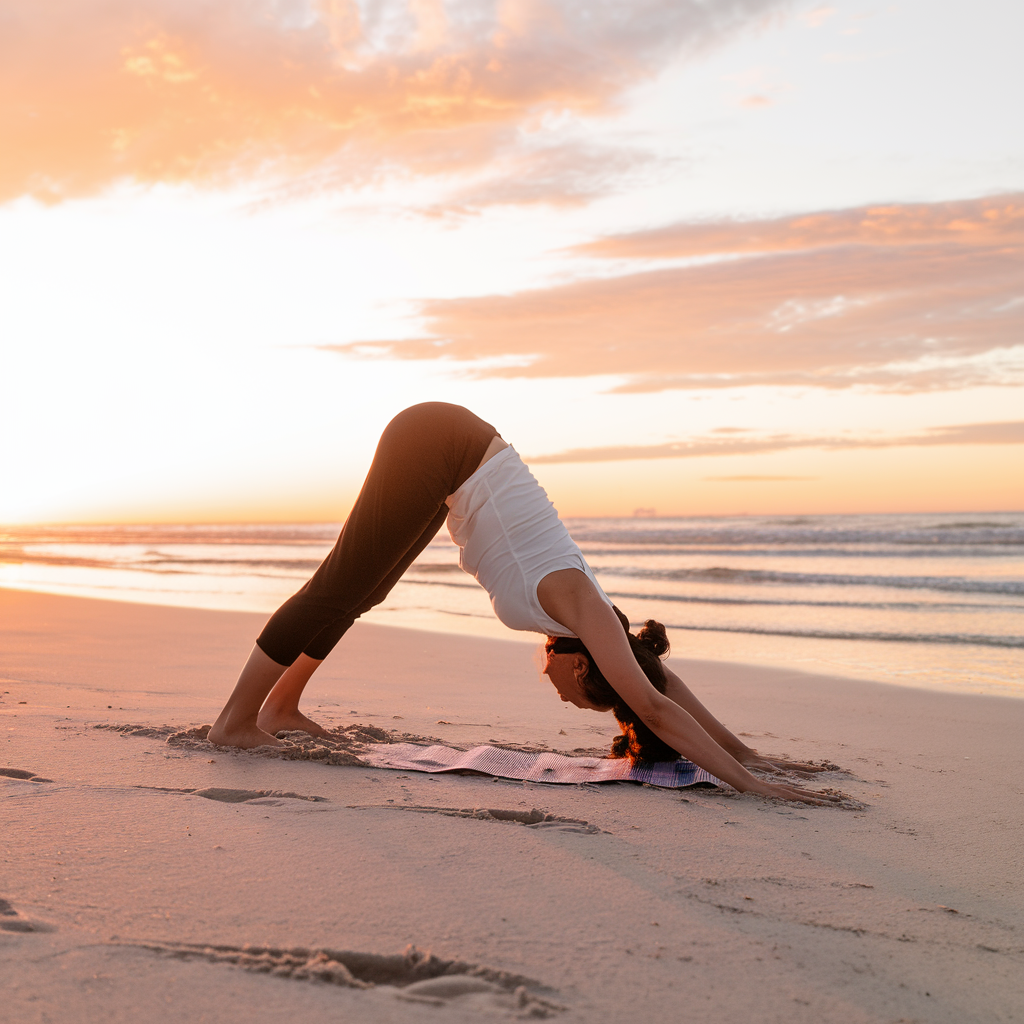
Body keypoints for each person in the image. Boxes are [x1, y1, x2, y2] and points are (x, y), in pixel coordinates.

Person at [209, 403, 835, 805]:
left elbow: (656, 680)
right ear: (584, 666)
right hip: (440, 443)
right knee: (338, 585)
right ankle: (237, 721)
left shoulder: (599, 624)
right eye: (579, 696)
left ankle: (284, 704)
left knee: (364, 591)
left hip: (453, 462)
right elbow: (649, 703)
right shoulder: (579, 607)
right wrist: (756, 787)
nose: (562, 695)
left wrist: (750, 753)